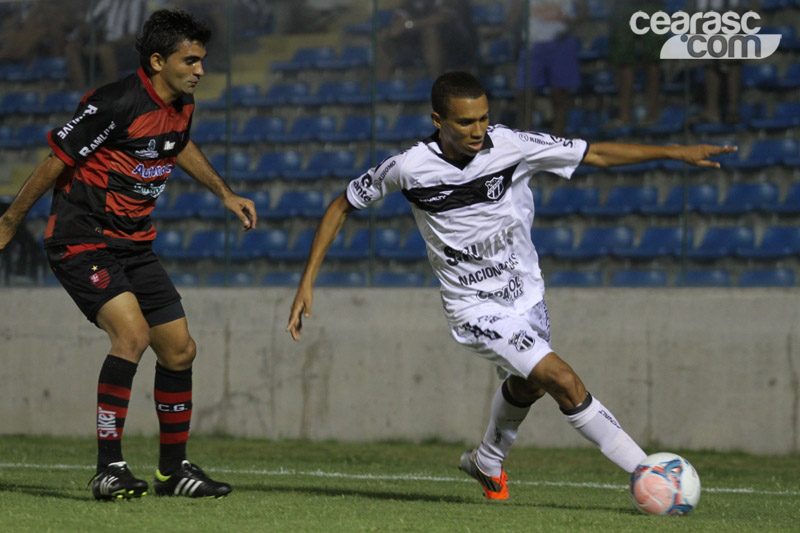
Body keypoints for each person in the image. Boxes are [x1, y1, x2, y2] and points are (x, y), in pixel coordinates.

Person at [285, 71, 736, 500]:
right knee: (562, 380)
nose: (478, 129)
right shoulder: (408, 168)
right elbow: (341, 205)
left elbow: (594, 152)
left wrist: (676, 153)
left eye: (482, 117)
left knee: (530, 385)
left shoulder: (513, 145)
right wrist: (307, 282)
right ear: (438, 121)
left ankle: (487, 460)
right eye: (465, 121)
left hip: (527, 295)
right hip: (473, 307)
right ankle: (651, 474)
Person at [0, 9, 257, 500]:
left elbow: (176, 145)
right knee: (132, 334)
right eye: (191, 60)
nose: (200, 69)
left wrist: (225, 193)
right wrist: (11, 221)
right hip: (82, 240)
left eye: (202, 60)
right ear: (158, 60)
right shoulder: (113, 102)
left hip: (134, 244)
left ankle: (172, 471)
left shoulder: (181, 104)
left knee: (180, 350)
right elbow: (57, 159)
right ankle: (108, 468)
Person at [508, 0, 585, 134]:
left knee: (560, 96)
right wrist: (502, 31)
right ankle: (524, 140)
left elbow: (583, 10)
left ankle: (558, 141)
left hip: (562, 42)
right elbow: (516, 9)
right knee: (525, 95)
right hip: (532, 44)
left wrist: (572, 23)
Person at [376, 0, 478, 80]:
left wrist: (411, 24)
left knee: (430, 32)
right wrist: (395, 29)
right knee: (384, 37)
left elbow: (444, 17)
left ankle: (437, 85)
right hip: (423, 44)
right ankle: (382, 89)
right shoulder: (411, 2)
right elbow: (400, 19)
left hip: (457, 45)